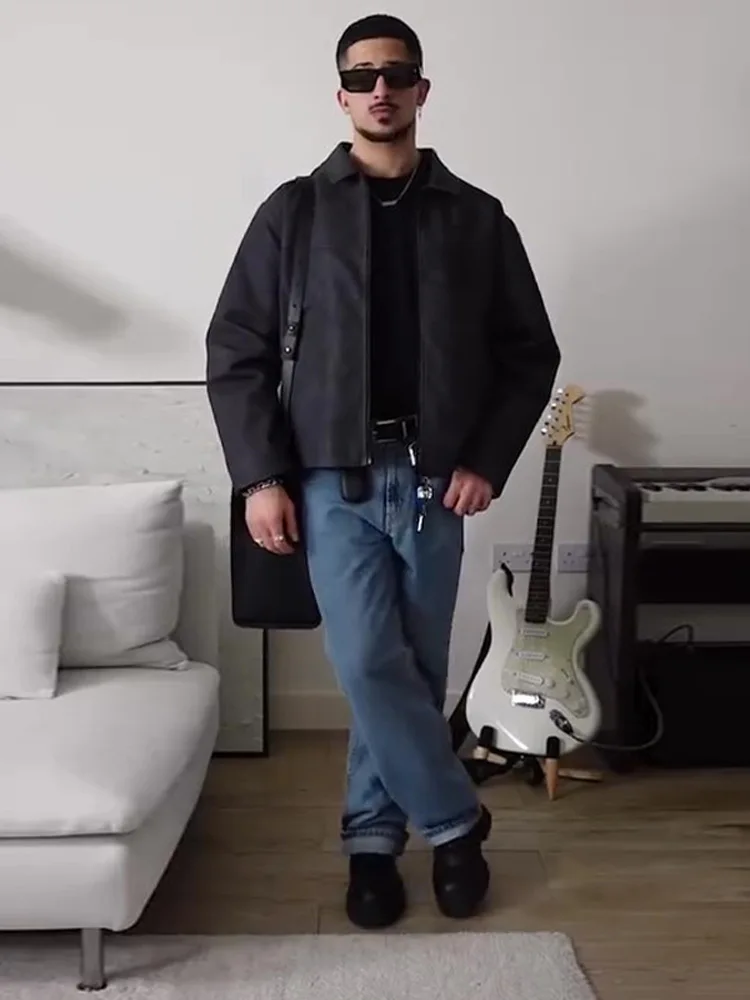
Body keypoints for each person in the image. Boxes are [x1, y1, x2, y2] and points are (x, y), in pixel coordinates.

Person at [205, 13, 561, 929]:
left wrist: (486, 458)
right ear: (341, 94)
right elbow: (236, 349)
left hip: (438, 481)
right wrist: (261, 478)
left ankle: (371, 841)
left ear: (421, 91)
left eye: (396, 74)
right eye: (363, 75)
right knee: (368, 660)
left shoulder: (476, 217)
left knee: (408, 667)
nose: (380, 89)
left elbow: (530, 352)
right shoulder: (294, 212)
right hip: (331, 479)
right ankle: (455, 823)